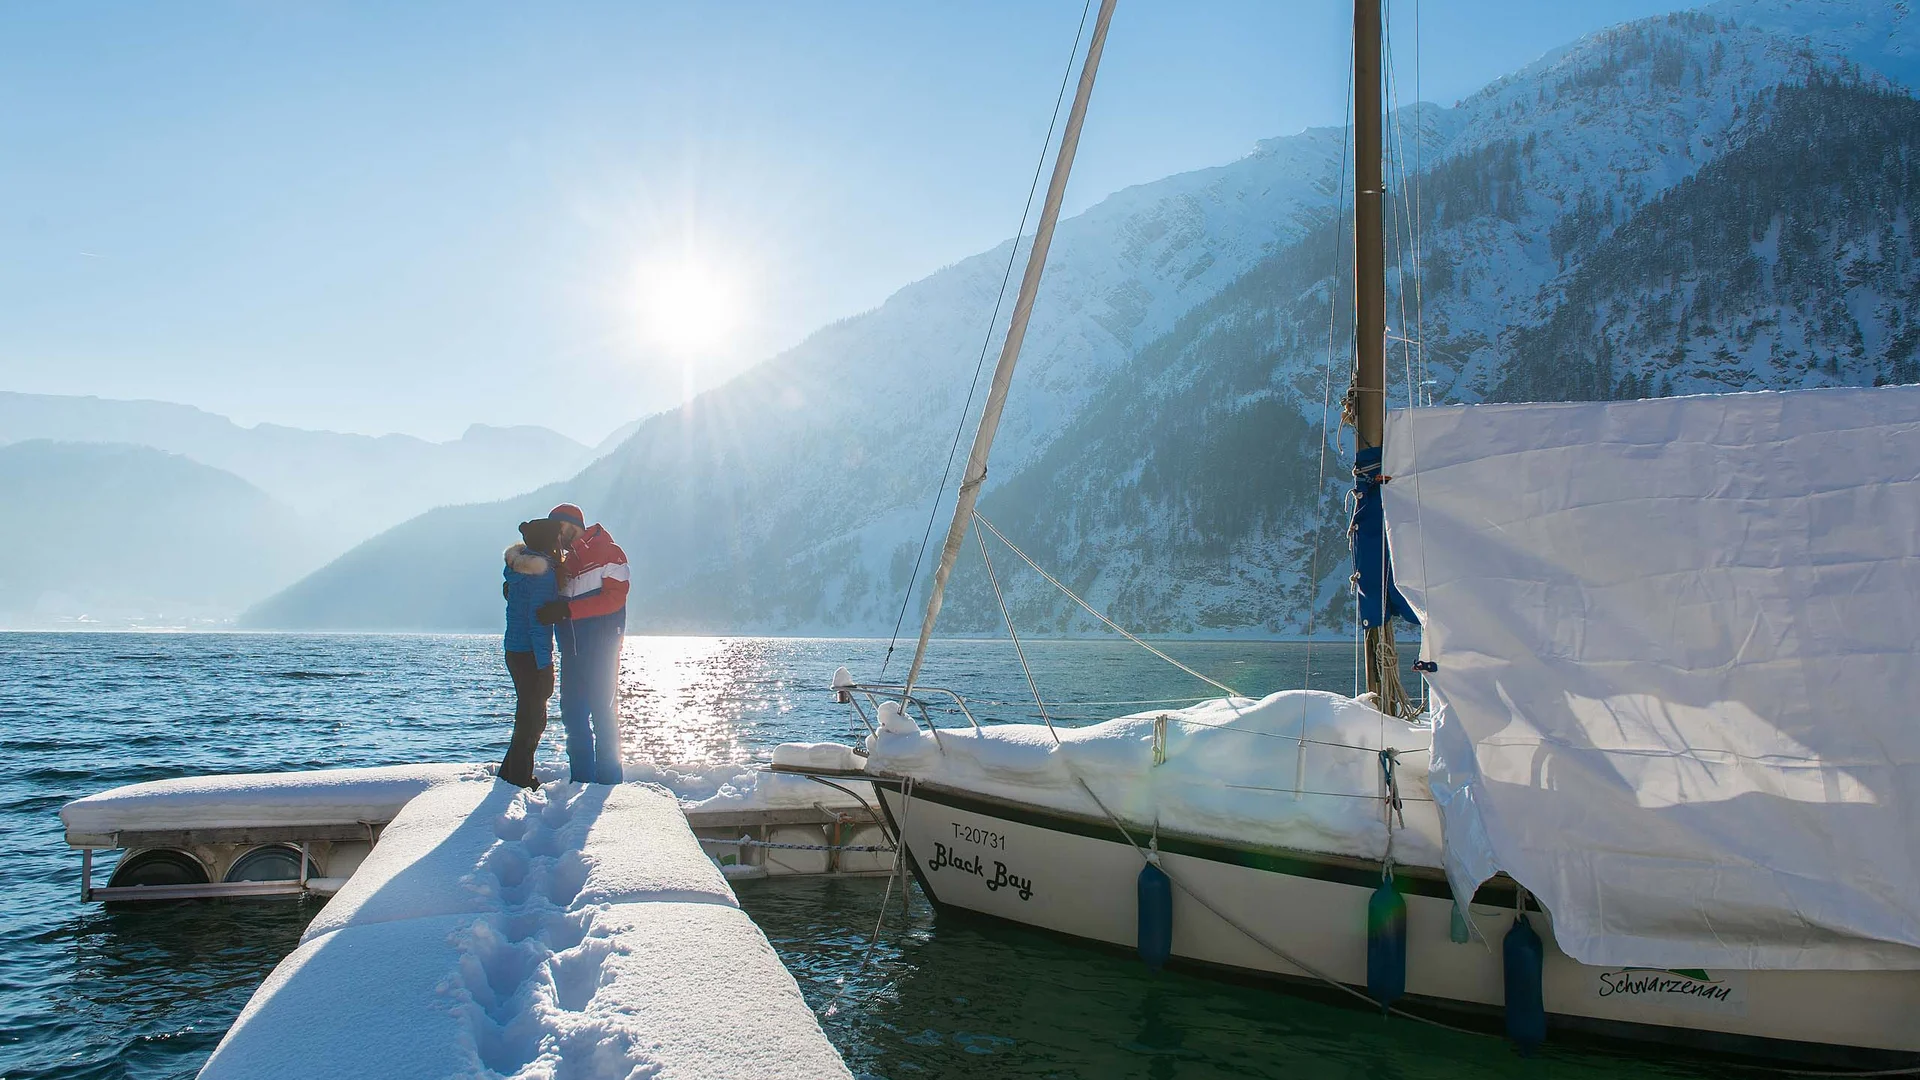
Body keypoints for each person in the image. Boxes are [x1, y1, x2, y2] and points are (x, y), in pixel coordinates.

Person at [536, 503, 629, 784]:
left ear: (571, 524)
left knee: (603, 714)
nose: (556, 536)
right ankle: (581, 781)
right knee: (573, 716)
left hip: (601, 650)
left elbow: (615, 598)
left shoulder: (609, 551)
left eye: (557, 528)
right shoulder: (565, 564)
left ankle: (610, 784)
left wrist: (568, 611)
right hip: (572, 652)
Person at [498, 518, 563, 788]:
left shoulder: (516, 569)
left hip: (514, 651)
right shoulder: (542, 574)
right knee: (533, 719)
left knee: (527, 715)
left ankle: (509, 774)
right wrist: (546, 666)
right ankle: (519, 779)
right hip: (531, 654)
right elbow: (538, 624)